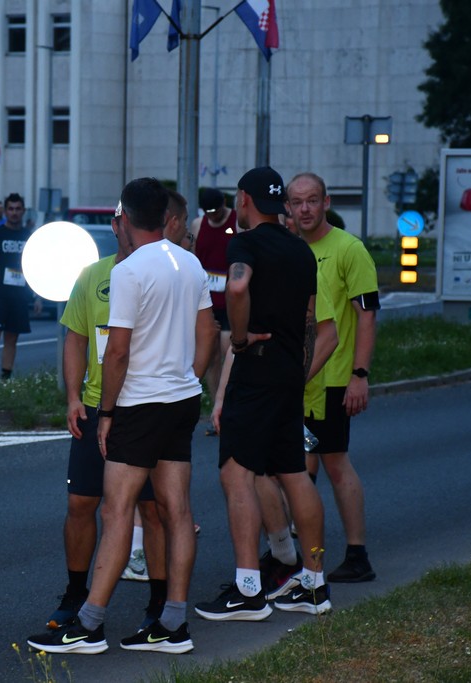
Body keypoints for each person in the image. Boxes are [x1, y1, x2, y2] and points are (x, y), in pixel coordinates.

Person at [28, 177, 214, 655]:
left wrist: (105, 413)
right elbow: (206, 333)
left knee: (115, 512)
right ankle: (173, 622)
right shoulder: (189, 263)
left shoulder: (130, 272)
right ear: (166, 217)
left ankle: (88, 624)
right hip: (180, 400)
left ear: (126, 220)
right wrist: (189, 380)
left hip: (139, 402)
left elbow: (118, 353)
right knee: (177, 511)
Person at [194, 166, 331, 622]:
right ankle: (314, 583)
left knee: (236, 475)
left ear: (245, 200)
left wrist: (237, 338)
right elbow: (310, 319)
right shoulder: (301, 250)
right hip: (292, 372)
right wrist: (299, 365)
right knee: (293, 472)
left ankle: (248, 590)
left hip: (254, 371)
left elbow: (236, 286)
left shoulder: (244, 243)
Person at [44, 202, 167, 637]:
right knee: (81, 504)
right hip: (97, 407)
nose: (127, 229)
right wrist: (74, 396)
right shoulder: (93, 275)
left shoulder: (163, 271)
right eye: (122, 222)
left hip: (146, 406)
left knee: (152, 510)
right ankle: (76, 594)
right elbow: (75, 339)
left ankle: (159, 601)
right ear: (116, 226)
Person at [287, 171, 380, 583]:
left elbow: (367, 315)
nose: (304, 209)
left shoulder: (349, 249)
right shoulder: (290, 250)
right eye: (296, 202)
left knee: (334, 463)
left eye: (312, 201)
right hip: (296, 382)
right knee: (296, 467)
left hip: (335, 379)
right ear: (287, 207)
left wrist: (360, 374)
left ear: (326, 203)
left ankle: (356, 555)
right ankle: (297, 556)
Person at [0, 193, 41, 386]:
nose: (14, 213)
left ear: (23, 211)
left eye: (18, 209)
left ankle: (5, 382)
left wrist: (37, 297)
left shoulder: (29, 237)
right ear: (5, 210)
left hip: (19, 296)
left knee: (11, 338)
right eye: (10, 209)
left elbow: (38, 268)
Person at [190, 188, 237, 434]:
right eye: (209, 212)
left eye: (216, 211)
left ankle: (228, 406)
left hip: (231, 299)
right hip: (207, 299)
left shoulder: (236, 222)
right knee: (210, 356)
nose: (213, 216)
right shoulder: (199, 225)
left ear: (224, 204)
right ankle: (217, 408)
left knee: (226, 347)